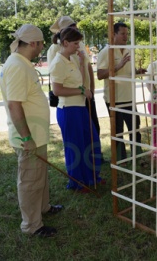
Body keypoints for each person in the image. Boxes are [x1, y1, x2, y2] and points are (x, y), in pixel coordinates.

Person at [0, 24, 62, 238]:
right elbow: (14, 105)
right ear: (33, 43)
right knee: (30, 180)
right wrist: (26, 138)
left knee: (39, 177)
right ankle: (32, 225)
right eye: (42, 43)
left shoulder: (21, 63)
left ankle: (43, 208)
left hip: (36, 135)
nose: (42, 47)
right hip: (29, 138)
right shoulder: (17, 65)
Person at [49, 27, 104, 192]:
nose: (78, 46)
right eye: (75, 43)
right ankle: (77, 182)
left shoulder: (71, 58)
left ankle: (91, 176)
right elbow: (57, 91)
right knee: (75, 147)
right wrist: (81, 91)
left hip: (80, 107)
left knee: (90, 141)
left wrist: (81, 63)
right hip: (68, 109)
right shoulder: (58, 62)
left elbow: (79, 79)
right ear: (65, 43)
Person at [97, 22, 146, 161]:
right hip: (114, 99)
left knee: (135, 129)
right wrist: (118, 66)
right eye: (123, 33)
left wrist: (137, 72)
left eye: (127, 33)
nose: (126, 36)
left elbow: (128, 71)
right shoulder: (106, 52)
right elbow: (100, 75)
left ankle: (138, 157)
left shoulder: (129, 50)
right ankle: (121, 159)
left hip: (129, 97)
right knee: (118, 131)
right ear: (114, 34)